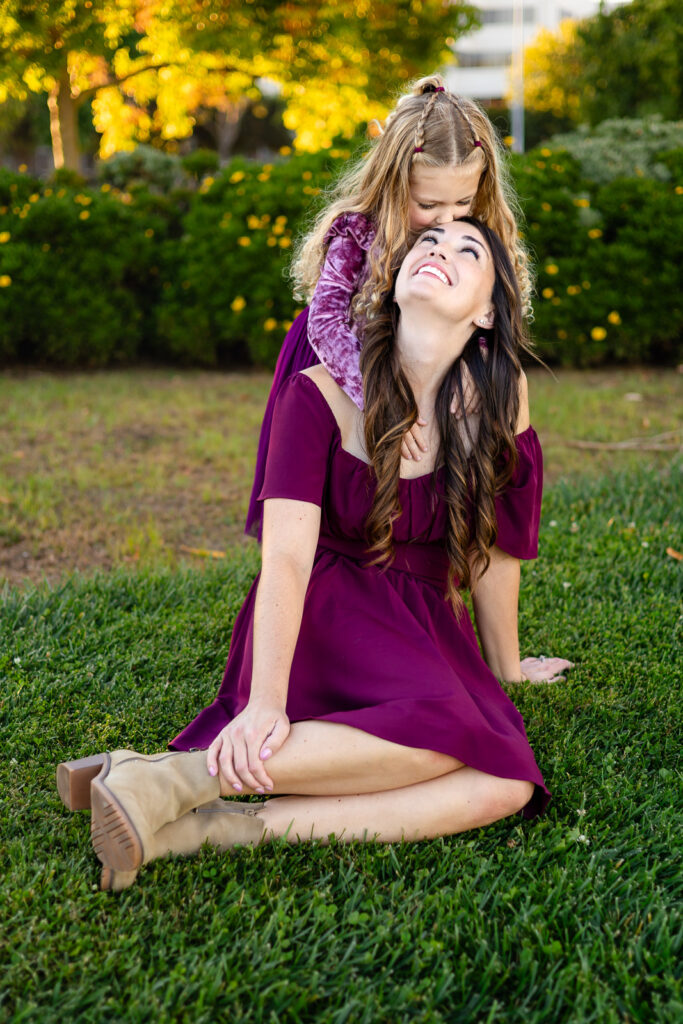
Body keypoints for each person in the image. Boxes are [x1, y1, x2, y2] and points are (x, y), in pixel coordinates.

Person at [57, 218, 560, 891]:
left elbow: (499, 549)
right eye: (427, 242)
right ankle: (181, 776)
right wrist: (263, 701)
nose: (439, 249)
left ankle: (210, 823)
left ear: (487, 312)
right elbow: (286, 560)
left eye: (467, 250)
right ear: (393, 282)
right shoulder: (316, 394)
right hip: (326, 612)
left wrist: (506, 666)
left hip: (422, 625)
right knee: (446, 735)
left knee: (505, 784)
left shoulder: (494, 408)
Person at [244, 73, 530, 541]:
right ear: (395, 183)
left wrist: (479, 362)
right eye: (429, 203)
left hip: (420, 374)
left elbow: (489, 311)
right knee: (331, 490)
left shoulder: (471, 241)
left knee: (409, 486)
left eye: (463, 200)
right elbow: (326, 319)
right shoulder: (357, 231)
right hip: (340, 366)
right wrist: (376, 395)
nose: (449, 218)